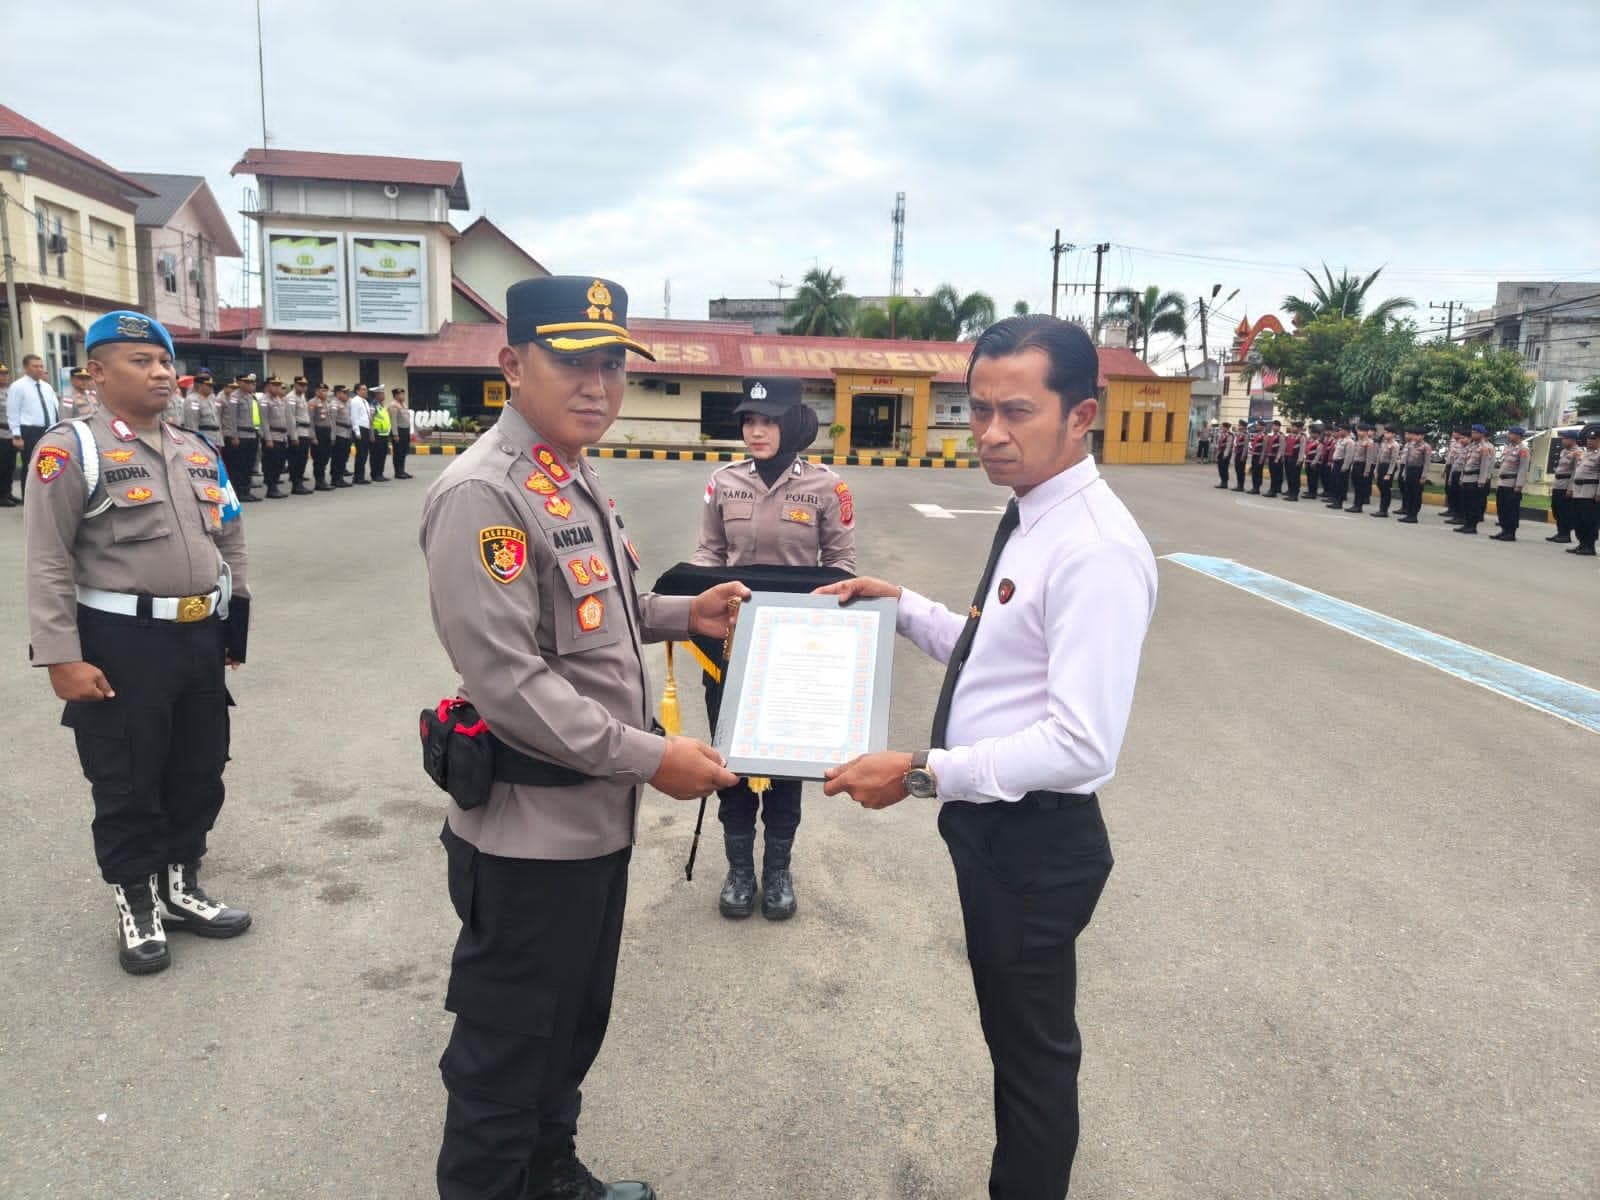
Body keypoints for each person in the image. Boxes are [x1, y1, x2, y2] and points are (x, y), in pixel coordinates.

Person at [419, 275, 749, 1200]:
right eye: (574, 361)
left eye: (612, 364)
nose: (599, 383)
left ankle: (551, 1177)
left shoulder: (567, 476)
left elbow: (597, 614)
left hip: (590, 823)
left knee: (568, 1030)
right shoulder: (484, 495)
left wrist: (690, 614)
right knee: (504, 1054)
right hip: (529, 836)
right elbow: (511, 683)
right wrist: (655, 759)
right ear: (513, 364)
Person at [820, 316, 1157, 1200]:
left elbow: (1081, 740)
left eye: (1017, 411)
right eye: (977, 411)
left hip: (1036, 847)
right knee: (1015, 1046)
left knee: (1032, 1065)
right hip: (999, 836)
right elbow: (998, 652)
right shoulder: (1036, 513)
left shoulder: (1096, 547)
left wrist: (924, 771)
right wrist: (899, 604)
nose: (992, 434)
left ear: (1081, 415)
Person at [23, 310, 252, 975]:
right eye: (140, 362)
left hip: (198, 637)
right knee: (127, 778)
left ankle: (181, 887)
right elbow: (46, 559)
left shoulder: (197, 450)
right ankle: (137, 901)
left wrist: (233, 626)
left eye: (163, 362)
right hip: (121, 640)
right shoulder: (73, 449)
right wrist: (61, 656)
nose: (160, 373)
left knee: (199, 767)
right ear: (96, 372)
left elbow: (229, 537)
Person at [690, 376, 856, 921]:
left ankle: (778, 869)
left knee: (787, 763)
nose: (756, 431)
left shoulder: (828, 488)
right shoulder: (723, 482)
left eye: (768, 420)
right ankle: (740, 868)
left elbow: (841, 569)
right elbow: (709, 558)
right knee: (730, 761)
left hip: (795, 653)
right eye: (749, 420)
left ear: (792, 425)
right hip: (731, 647)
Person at [9, 353, 62, 501]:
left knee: (49, 463)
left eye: (41, 366)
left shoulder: (47, 387)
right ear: (26, 368)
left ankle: (46, 497)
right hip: (30, 431)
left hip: (49, 430)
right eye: (35, 366)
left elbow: (54, 408)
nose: (39, 369)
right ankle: (30, 500)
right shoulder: (18, 387)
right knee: (30, 466)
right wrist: (17, 436)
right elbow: (13, 412)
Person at [1563, 424, 1599, 556]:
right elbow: (1577, 473)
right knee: (1578, 520)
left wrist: (1598, 493)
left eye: (1593, 439)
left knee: (1589, 520)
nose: (1589, 441)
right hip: (1578, 492)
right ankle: (1582, 544)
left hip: (1590, 493)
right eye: (1589, 439)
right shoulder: (1585, 454)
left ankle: (1589, 546)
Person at [1489, 426, 1531, 542]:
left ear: (1518, 435)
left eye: (1511, 434)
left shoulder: (1523, 449)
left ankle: (1510, 532)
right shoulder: (1508, 447)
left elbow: (1523, 468)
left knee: (1511, 509)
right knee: (1501, 508)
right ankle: (1504, 530)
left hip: (1512, 484)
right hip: (1503, 482)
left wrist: (1519, 485)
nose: (1509, 435)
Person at [1455, 425, 1494, 535]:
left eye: (1476, 432)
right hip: (1467, 478)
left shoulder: (1485, 448)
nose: (1473, 434)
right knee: (1465, 503)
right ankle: (1466, 524)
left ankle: (1472, 526)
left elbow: (1485, 465)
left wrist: (1482, 480)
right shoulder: (1470, 446)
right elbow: (1465, 463)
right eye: (1472, 432)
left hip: (1475, 479)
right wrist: (1462, 477)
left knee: (1473, 504)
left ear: (1482, 434)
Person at [260, 376, 291, 499]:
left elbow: (286, 420)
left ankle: (275, 485)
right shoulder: (264, 401)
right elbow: (264, 421)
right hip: (272, 436)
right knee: (271, 463)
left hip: (281, 436)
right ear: (268, 386)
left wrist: (287, 436)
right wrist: (268, 438)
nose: (278, 387)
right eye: (275, 385)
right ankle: (271, 487)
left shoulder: (280, 400)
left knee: (280, 462)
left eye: (279, 385)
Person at [1547, 429, 1580, 544]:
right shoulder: (1564, 452)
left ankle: (1565, 534)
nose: (1562, 440)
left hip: (1566, 486)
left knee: (1565, 511)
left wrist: (1570, 489)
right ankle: (1560, 532)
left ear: (1572, 439)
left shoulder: (1577, 453)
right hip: (1558, 484)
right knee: (1556, 509)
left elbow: (1576, 472)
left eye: (1565, 438)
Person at [1396, 427, 1429, 523]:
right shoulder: (1410, 445)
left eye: (1417, 435)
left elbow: (1426, 463)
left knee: (1416, 494)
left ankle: (1414, 515)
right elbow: (1406, 461)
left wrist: (1423, 476)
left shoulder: (1426, 447)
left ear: (1422, 436)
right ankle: (1408, 513)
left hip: (1418, 471)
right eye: (1414, 435)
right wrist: (1404, 473)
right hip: (1409, 470)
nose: (1415, 437)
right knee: (1408, 493)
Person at [287, 376, 314, 495]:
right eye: (301, 385)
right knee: (295, 460)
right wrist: (293, 436)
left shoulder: (302, 396)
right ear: (295, 385)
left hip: (305, 432)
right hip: (297, 432)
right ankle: (296, 484)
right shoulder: (291, 397)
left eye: (305, 385)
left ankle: (299, 481)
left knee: (303, 459)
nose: (303, 387)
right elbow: (290, 418)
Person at [310, 381, 336, 491]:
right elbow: (310, 421)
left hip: (327, 432)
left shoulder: (328, 403)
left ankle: (323, 480)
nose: (325, 393)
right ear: (316, 391)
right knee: (318, 459)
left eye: (326, 391)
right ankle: (319, 482)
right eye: (322, 391)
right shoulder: (312, 403)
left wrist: (332, 435)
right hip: (318, 432)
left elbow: (331, 420)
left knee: (325, 458)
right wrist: (313, 437)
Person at [1370, 427, 1398, 518]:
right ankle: (1381, 509)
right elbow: (1379, 457)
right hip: (1381, 466)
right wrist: (1376, 470)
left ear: (1393, 434)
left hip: (1388, 467)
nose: (1386, 434)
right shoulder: (1383, 443)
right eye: (1385, 433)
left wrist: (1389, 473)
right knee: (1380, 487)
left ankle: (1384, 510)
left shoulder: (1395, 445)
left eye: (1388, 433)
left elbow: (1393, 461)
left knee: (1386, 489)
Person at [349, 383, 373, 484]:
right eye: (363, 389)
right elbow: (354, 417)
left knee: (364, 454)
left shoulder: (365, 402)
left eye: (366, 389)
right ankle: (358, 477)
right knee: (361, 454)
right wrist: (357, 431)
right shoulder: (355, 401)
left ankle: (360, 476)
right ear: (357, 391)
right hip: (360, 429)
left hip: (366, 428)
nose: (365, 391)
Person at [331, 384, 354, 488]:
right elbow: (332, 421)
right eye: (344, 393)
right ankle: (335, 479)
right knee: (337, 457)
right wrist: (333, 436)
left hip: (347, 433)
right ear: (338, 393)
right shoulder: (334, 404)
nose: (347, 395)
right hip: (339, 433)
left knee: (344, 456)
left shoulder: (347, 403)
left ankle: (340, 477)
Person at [370, 384, 392, 481]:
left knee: (382, 455)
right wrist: (371, 434)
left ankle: (380, 473)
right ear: (377, 395)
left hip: (384, 434)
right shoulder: (373, 405)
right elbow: (370, 420)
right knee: (376, 455)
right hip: (376, 434)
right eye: (382, 394)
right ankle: (375, 474)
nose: (384, 396)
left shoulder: (382, 405)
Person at [390, 387, 413, 478]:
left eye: (403, 394)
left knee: (404, 451)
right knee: (398, 452)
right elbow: (393, 421)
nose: (402, 396)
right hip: (399, 431)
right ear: (395, 396)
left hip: (405, 430)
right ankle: (398, 472)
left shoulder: (403, 404)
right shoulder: (393, 405)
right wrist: (395, 434)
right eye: (400, 394)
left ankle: (402, 470)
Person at [0, 361, 15, 506]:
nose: (4, 377)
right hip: (1, 433)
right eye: (1, 374)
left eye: (6, 374)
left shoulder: (12, 390)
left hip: (12, 433)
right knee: (2, 466)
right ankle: (1, 495)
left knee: (10, 465)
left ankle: (8, 492)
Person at [1302, 421, 1324, 501]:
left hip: (1315, 463)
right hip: (1308, 461)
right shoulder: (1310, 441)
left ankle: (1313, 493)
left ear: (1317, 434)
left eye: (1313, 433)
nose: (1311, 435)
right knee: (1309, 478)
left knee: (1313, 478)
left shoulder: (1319, 443)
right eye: (1311, 433)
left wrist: (1314, 462)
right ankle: (1310, 491)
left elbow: (1318, 454)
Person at [1264, 419, 1283, 496]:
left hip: (1276, 458)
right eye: (1273, 426)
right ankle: (1273, 489)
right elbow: (1269, 447)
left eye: (1276, 426)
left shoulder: (1280, 436)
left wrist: (1277, 458)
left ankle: (1273, 491)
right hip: (1271, 457)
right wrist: (1267, 457)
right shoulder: (1271, 436)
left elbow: (1281, 448)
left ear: (1279, 427)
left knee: (1275, 475)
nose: (1274, 427)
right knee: (1272, 474)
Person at [1248, 421, 1267, 493]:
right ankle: (1254, 487)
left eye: (1258, 425)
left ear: (1262, 427)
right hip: (1254, 455)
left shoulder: (1264, 435)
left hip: (1259, 456)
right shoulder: (1257, 435)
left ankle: (1257, 488)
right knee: (1254, 472)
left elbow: (1264, 448)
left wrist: (1262, 458)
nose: (1256, 426)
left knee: (1258, 472)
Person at [1213, 421, 1232, 488]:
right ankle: (1222, 481)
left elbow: (1228, 446)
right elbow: (1219, 444)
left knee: (1224, 468)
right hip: (1220, 453)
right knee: (1220, 468)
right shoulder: (1221, 434)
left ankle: (1225, 482)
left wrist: (1225, 455)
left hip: (1225, 454)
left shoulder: (1229, 435)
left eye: (1223, 427)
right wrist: (1217, 453)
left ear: (1226, 428)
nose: (1222, 428)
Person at [1230, 419, 1248, 490]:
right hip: (1237, 454)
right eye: (1239, 425)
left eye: (1240, 425)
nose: (1238, 426)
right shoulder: (1239, 434)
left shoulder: (1245, 435)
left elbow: (1245, 446)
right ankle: (1238, 484)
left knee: (1241, 470)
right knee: (1237, 470)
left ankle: (1241, 486)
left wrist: (1243, 456)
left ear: (1243, 427)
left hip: (1241, 455)